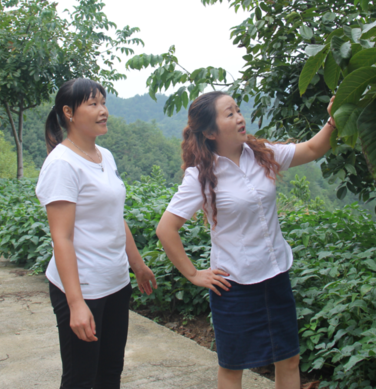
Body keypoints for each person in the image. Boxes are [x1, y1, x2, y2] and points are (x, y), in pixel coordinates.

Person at [156, 91, 334, 389]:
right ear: (210, 132)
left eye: (238, 110)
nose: (240, 118)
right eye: (230, 114)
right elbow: (166, 229)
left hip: (275, 276)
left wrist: (333, 120)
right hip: (233, 285)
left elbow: (314, 149)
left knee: (289, 359)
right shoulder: (200, 176)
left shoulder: (262, 154)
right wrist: (194, 274)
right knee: (233, 367)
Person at [35, 78, 157, 389]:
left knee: (110, 373)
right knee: (80, 378)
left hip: (115, 282)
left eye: (103, 103)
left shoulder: (105, 156)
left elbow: (115, 217)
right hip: (83, 287)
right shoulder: (62, 164)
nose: (103, 111)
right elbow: (61, 238)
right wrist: (76, 303)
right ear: (69, 113)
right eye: (93, 104)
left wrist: (138, 265)